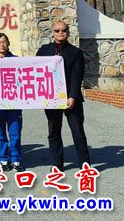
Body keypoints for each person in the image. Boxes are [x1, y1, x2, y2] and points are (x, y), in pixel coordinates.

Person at [37, 20, 90, 171]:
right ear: (52, 32)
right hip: (52, 99)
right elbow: (36, 72)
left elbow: (77, 75)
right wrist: (40, 97)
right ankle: (57, 164)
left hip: (71, 98)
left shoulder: (75, 52)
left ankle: (84, 165)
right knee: (54, 132)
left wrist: (72, 96)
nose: (60, 33)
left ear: (68, 32)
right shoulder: (44, 50)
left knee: (78, 132)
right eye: (57, 30)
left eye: (63, 30)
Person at [0, 33, 23, 172]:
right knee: (0, 133)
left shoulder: (16, 60)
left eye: (4, 42)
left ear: (8, 44)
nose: (2, 45)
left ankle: (16, 159)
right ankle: (3, 159)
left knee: (15, 133)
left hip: (14, 104)